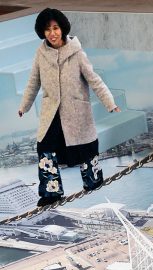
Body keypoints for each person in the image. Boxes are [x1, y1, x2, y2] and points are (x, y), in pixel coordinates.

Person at [18, 8, 120, 207]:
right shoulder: (40, 55)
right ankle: (51, 193)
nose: (52, 33)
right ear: (42, 32)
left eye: (55, 28)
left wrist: (110, 103)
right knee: (45, 149)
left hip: (76, 111)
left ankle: (93, 181)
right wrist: (24, 106)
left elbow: (95, 81)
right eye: (47, 30)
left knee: (85, 147)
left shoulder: (77, 53)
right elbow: (33, 82)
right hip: (51, 112)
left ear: (62, 28)